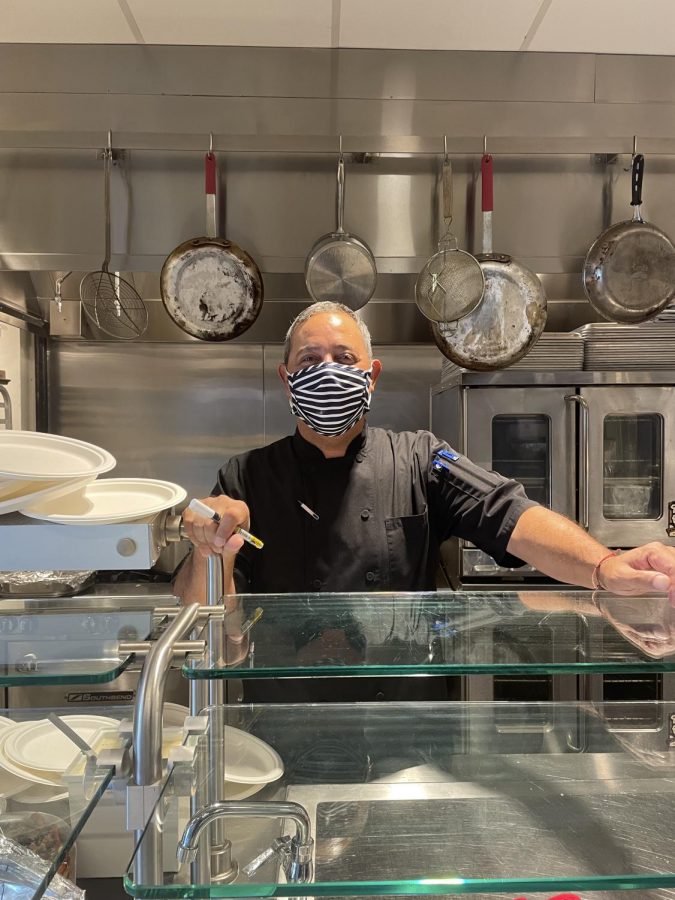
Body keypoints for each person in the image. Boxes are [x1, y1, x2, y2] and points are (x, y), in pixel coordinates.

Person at [175, 300, 675, 609]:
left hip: (402, 716)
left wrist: (603, 566)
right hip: (281, 714)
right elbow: (198, 613)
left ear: (371, 376)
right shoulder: (245, 477)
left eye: (344, 359)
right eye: (310, 360)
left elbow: (509, 514)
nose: (328, 371)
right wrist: (207, 546)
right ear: (287, 381)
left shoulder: (421, 459)